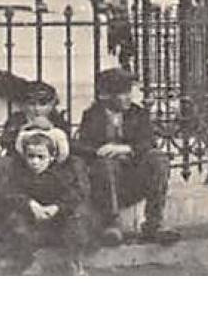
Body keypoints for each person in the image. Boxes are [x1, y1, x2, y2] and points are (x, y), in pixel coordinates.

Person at [75, 67, 177, 245]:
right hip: (106, 182)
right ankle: (111, 225)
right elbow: (82, 145)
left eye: (129, 92)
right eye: (122, 93)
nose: (129, 97)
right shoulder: (92, 115)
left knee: (158, 159)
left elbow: (148, 142)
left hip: (134, 177)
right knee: (105, 163)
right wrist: (99, 150)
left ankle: (154, 223)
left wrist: (127, 149)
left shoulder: (138, 113)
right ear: (105, 96)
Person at [0, 129, 93, 275]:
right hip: (30, 224)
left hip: (57, 224)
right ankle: (28, 261)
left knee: (77, 219)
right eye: (30, 156)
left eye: (40, 157)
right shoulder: (19, 173)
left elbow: (74, 195)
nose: (35, 162)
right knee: (14, 221)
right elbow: (8, 192)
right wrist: (30, 204)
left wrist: (57, 207)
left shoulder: (61, 175)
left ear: (51, 157)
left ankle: (74, 262)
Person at [0, 79, 72, 157]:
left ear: (52, 105)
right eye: (31, 104)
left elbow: (67, 144)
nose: (37, 109)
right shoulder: (17, 119)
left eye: (43, 104)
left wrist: (51, 127)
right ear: (23, 105)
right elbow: (5, 142)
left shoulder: (57, 119)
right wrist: (24, 129)